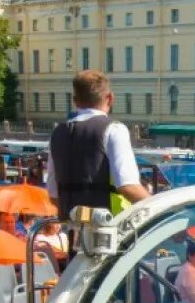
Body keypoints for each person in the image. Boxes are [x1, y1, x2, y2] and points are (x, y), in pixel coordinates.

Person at [45, 70, 150, 220]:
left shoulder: (57, 134)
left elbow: (53, 195)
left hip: (72, 231)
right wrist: (160, 210)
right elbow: (128, 186)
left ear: (74, 100)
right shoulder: (114, 129)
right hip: (110, 228)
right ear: (110, 98)